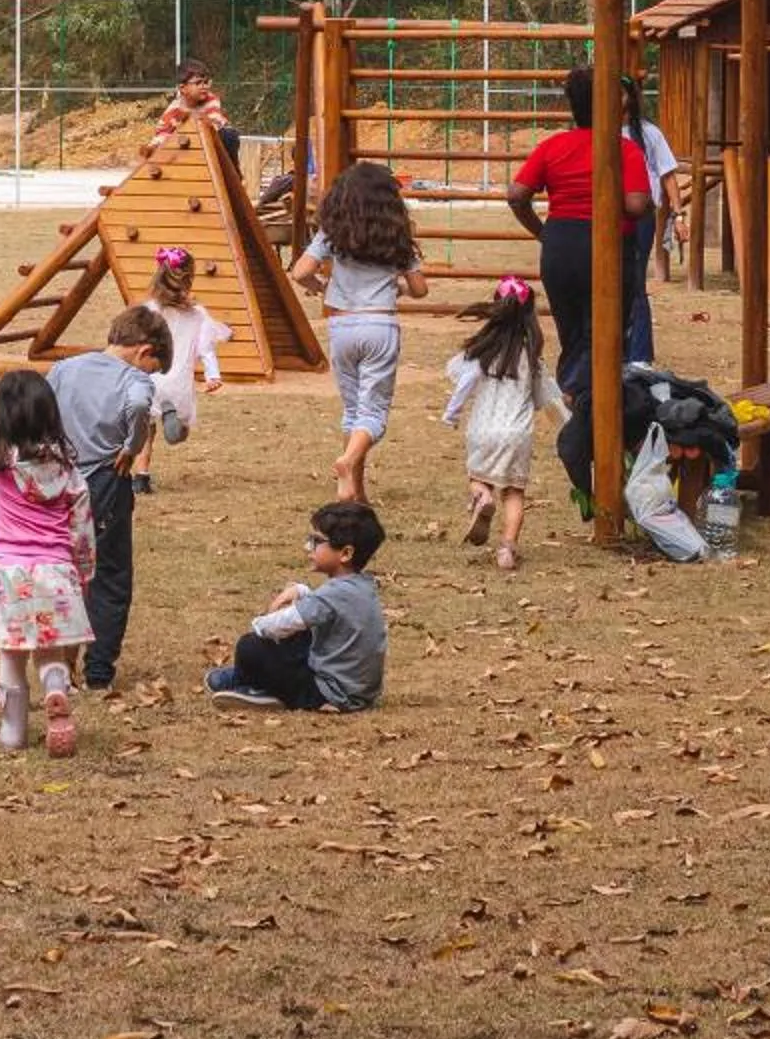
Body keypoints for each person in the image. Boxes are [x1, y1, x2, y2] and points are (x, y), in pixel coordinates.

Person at [47, 304, 184, 693]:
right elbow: (140, 405)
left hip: (60, 480)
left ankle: (58, 663)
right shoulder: (134, 381)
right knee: (109, 574)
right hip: (107, 480)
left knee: (64, 570)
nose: (150, 375)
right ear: (144, 351)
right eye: (153, 367)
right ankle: (98, 670)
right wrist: (133, 443)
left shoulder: (64, 369)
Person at [505, 65, 652, 427]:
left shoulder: (553, 146)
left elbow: (517, 195)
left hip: (560, 244)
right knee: (605, 332)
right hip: (607, 244)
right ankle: (576, 399)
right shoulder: (623, 149)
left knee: (572, 331)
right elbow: (635, 205)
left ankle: (575, 399)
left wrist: (543, 232)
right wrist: (638, 202)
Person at [0, 370, 94, 758]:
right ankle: (56, 689)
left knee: (11, 654)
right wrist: (85, 573)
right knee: (49, 652)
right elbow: (82, 527)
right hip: (57, 572)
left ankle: (12, 734)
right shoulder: (68, 469)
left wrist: (3, 423)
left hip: (10, 574)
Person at [293, 160, 429, 504]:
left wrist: (324, 288)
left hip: (342, 325)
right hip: (379, 324)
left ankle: (354, 490)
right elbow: (420, 289)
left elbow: (300, 272)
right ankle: (349, 462)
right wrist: (397, 286)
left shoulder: (332, 233)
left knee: (352, 410)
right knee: (374, 412)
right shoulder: (397, 236)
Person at [206, 500, 388, 711]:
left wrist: (259, 624)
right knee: (300, 636)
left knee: (251, 646)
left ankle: (254, 686)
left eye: (316, 541)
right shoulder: (362, 585)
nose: (307, 547)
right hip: (357, 689)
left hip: (327, 692)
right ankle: (248, 677)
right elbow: (331, 609)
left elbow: (284, 623)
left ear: (345, 553)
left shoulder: (334, 594)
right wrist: (302, 591)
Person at [442, 276, 566, 571]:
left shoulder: (480, 352)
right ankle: (507, 550)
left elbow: (461, 379)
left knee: (478, 476)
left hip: (482, 430)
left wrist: (452, 413)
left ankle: (482, 495)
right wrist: (567, 423)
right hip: (516, 435)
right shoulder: (532, 359)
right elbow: (548, 399)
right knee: (513, 493)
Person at [133, 245, 227, 493]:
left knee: (146, 428)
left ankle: (141, 476)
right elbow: (206, 348)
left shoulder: (149, 311)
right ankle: (173, 420)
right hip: (178, 382)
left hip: (151, 379)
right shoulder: (197, 315)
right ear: (189, 278)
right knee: (178, 435)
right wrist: (212, 375)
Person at [619, 75, 686, 358]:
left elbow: (667, 174)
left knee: (634, 281)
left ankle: (639, 354)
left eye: (620, 93)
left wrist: (679, 214)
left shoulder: (648, 134)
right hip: (606, 217)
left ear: (631, 98)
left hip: (640, 218)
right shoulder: (596, 132)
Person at [153, 61, 240, 163]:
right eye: (198, 83)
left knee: (229, 135)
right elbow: (160, 135)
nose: (203, 86)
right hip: (186, 150)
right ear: (182, 88)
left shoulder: (211, 100)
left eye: (206, 82)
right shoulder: (173, 111)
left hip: (212, 145)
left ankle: (233, 173)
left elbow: (213, 125)